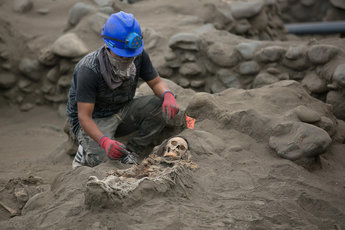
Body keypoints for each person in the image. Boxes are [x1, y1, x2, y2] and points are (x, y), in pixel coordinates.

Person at [66, 11, 179, 169]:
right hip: (95, 118)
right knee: (104, 162)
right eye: (123, 55)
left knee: (159, 107)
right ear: (109, 46)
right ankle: (84, 152)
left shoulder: (138, 55)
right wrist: (104, 142)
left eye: (130, 55)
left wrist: (168, 95)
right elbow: (84, 117)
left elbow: (156, 82)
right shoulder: (89, 69)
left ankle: (133, 151)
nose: (127, 59)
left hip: (122, 109)